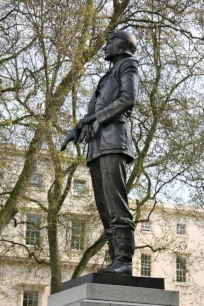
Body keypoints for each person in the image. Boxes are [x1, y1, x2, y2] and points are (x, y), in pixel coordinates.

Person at [61, 30, 139, 275]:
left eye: (109, 43)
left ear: (122, 45)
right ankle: (116, 260)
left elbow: (128, 100)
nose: (104, 47)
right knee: (104, 208)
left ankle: (124, 261)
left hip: (114, 142)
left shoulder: (128, 66)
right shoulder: (106, 77)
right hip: (96, 146)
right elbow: (94, 111)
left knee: (116, 204)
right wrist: (79, 127)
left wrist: (94, 118)